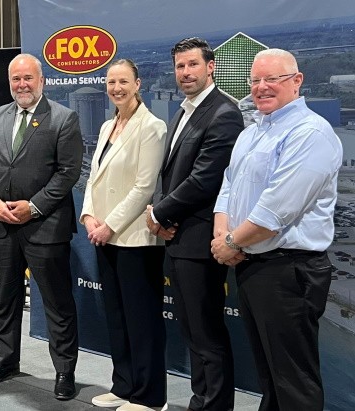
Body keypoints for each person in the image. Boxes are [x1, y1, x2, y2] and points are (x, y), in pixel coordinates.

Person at [211, 49, 342, 411]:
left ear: (297, 81)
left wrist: (231, 242)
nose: (261, 87)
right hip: (252, 265)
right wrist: (223, 235)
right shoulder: (252, 132)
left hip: (289, 270)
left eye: (272, 79)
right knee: (269, 375)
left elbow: (276, 210)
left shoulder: (310, 133)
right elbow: (228, 186)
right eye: (255, 80)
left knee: (293, 381)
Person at [0, 53, 83, 400]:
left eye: (28, 78)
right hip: (2, 226)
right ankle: (6, 361)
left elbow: (68, 172)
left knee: (57, 303)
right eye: (16, 79)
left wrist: (33, 207)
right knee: (5, 299)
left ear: (42, 81)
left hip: (45, 227)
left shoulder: (63, 118)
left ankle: (64, 371)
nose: (22, 85)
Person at [146, 37, 244, 411]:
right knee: (192, 332)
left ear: (210, 67)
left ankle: (215, 405)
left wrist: (158, 214)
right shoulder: (184, 111)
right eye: (180, 66)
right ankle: (200, 401)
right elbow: (169, 174)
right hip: (178, 238)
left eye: (192, 65)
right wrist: (161, 215)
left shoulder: (224, 113)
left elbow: (204, 180)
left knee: (207, 335)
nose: (185, 72)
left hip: (201, 242)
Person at [81, 59, 168, 411]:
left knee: (142, 318)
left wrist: (109, 225)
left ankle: (150, 397)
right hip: (104, 236)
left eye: (123, 82)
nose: (116, 88)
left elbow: (144, 187)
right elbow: (93, 176)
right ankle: (124, 385)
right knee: (116, 316)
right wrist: (89, 216)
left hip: (135, 239)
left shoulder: (152, 127)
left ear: (137, 84)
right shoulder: (107, 126)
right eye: (111, 82)